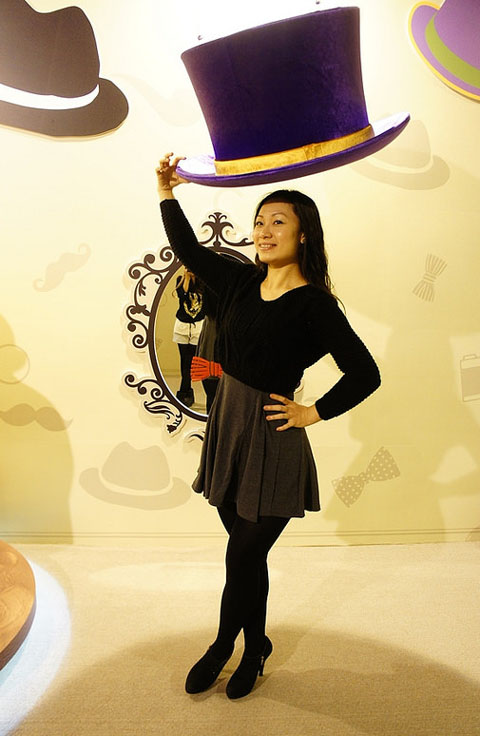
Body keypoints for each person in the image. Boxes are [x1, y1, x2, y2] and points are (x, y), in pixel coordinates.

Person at [156, 153, 381, 699]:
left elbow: (365, 373)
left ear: (304, 234)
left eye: (278, 221)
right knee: (248, 556)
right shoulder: (238, 281)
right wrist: (166, 192)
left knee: (241, 554)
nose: (264, 230)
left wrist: (312, 412)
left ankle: (222, 646)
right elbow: (188, 249)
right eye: (259, 221)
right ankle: (257, 645)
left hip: (272, 440)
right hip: (228, 429)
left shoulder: (315, 305)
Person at [172, 267, 205, 407]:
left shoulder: (203, 282)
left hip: (198, 326)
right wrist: (186, 278)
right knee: (184, 360)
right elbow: (183, 296)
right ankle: (186, 391)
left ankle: (184, 391)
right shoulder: (180, 280)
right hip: (182, 326)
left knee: (191, 361)